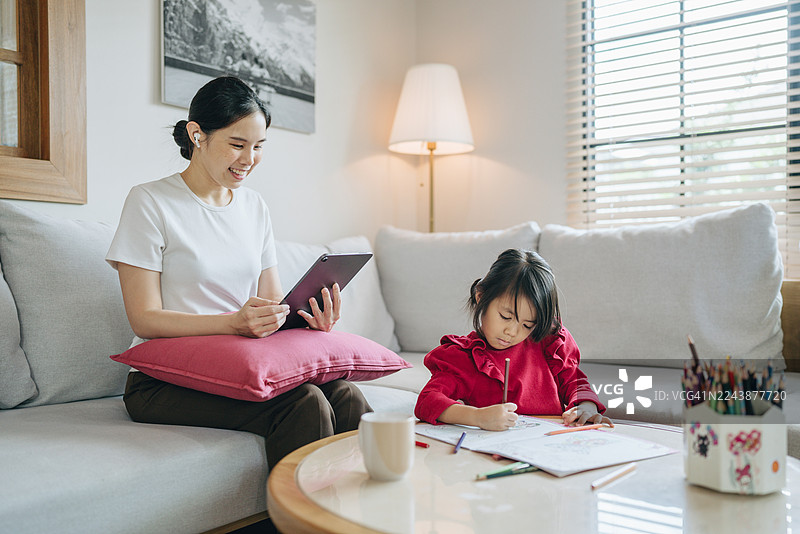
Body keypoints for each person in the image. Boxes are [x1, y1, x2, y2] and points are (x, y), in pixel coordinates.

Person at [106, 76, 371, 468]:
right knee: (302, 403)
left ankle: (354, 518)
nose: (249, 159)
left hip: (240, 364)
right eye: (237, 144)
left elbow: (271, 307)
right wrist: (233, 324)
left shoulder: (254, 207)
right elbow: (144, 319)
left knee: (345, 395)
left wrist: (305, 319)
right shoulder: (150, 201)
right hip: (162, 382)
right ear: (197, 135)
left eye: (259, 146)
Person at [414, 248, 612, 431]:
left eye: (527, 325)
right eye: (506, 317)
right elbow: (427, 401)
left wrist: (586, 406)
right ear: (481, 297)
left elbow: (574, 380)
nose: (512, 331)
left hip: (550, 446)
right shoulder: (464, 358)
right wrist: (477, 417)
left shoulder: (548, 341)